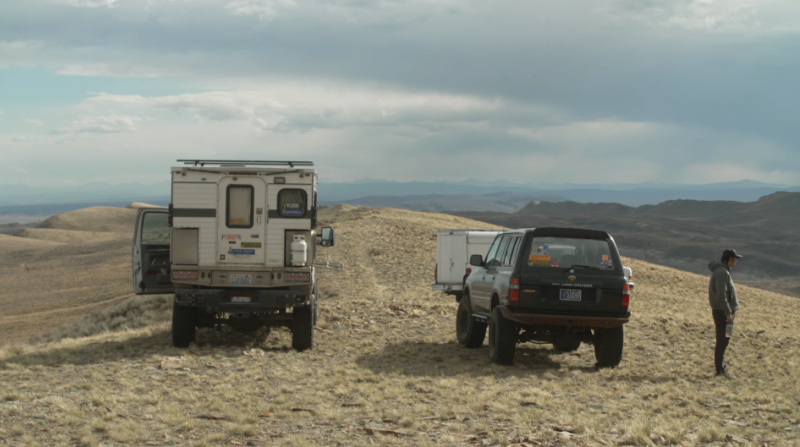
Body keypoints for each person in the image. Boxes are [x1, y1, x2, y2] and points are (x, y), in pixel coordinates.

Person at [708, 248, 743, 379]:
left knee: (725, 339)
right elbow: (721, 296)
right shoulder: (722, 272)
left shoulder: (722, 271)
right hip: (723, 313)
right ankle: (720, 369)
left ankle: (721, 366)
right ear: (729, 259)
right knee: (722, 340)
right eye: (734, 259)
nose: (736, 262)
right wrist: (728, 312)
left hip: (724, 312)